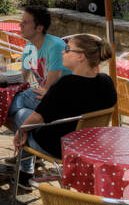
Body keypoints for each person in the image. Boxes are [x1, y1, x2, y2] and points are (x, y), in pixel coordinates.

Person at [13, 33, 117, 188]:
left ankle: (26, 170)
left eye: (68, 49)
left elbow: (37, 118)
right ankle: (27, 166)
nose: (63, 51)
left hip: (59, 147)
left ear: (81, 56)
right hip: (89, 144)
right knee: (25, 103)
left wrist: (21, 130)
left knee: (19, 114)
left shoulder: (66, 85)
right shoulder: (106, 82)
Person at [8, 5, 70, 131]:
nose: (20, 25)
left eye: (25, 22)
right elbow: (22, 78)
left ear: (39, 28)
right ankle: (30, 134)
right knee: (20, 114)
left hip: (60, 101)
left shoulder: (55, 46)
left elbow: (48, 88)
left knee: (15, 101)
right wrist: (1, 79)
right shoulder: (29, 47)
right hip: (44, 98)